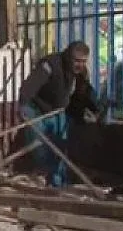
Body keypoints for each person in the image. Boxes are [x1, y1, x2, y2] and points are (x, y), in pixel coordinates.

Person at [18, 41, 100, 187]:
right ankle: (43, 177)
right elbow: (28, 87)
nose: (80, 65)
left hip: (58, 111)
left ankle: (58, 184)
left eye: (83, 61)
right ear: (68, 56)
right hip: (36, 110)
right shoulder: (50, 65)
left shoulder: (81, 72)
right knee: (40, 147)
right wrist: (23, 108)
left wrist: (94, 109)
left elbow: (83, 94)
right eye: (77, 61)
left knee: (61, 147)